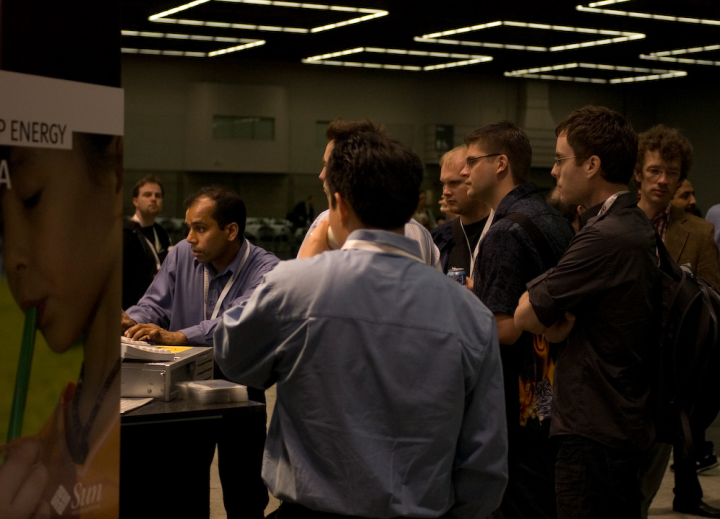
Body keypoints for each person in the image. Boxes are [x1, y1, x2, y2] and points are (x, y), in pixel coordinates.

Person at [214, 131, 508, 519]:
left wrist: (300, 265)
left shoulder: (298, 286)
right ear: (411, 206)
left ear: (339, 204)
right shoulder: (470, 315)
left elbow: (234, 357)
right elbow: (484, 462)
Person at [515, 105, 660, 519]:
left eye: (561, 160)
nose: (555, 171)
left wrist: (554, 315)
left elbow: (526, 315)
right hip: (619, 425)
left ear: (592, 165)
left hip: (594, 432)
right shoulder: (633, 224)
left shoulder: (605, 236)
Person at [121, 186, 279, 519]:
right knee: (185, 485)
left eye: (201, 228)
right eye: (188, 227)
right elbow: (156, 303)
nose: (189, 237)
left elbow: (236, 323)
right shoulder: (181, 254)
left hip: (240, 388)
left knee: (244, 490)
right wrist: (131, 319)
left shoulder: (266, 270)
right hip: (188, 385)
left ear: (231, 230)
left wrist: (178, 336)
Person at [0, 133, 123, 518]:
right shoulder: (42, 447)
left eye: (31, 197)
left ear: (115, 176)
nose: (12, 259)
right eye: (1, 227)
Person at [460, 121, 574, 519]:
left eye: (472, 161)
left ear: (500, 164)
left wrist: (465, 305)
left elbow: (504, 330)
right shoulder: (549, 216)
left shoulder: (506, 232)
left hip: (523, 404)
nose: (463, 171)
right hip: (557, 393)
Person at [633, 124, 720, 518]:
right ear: (638, 172)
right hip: (617, 365)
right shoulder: (610, 221)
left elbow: (711, 302)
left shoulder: (699, 231)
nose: (662, 180)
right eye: (654, 170)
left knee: (648, 478)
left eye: (671, 172)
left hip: (669, 371)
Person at [297, 118, 441, 270]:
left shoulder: (325, 224)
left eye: (328, 165)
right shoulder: (421, 233)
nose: (322, 175)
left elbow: (295, 288)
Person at [431, 145, 491, 278]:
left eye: (454, 183)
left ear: (474, 179)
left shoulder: (502, 232)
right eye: (443, 184)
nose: (445, 192)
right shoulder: (438, 238)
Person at [122, 175, 172, 309]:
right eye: (147, 195)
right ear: (135, 201)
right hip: (131, 308)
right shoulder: (125, 233)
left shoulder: (161, 233)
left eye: (158, 196)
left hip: (157, 307)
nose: (153, 199)